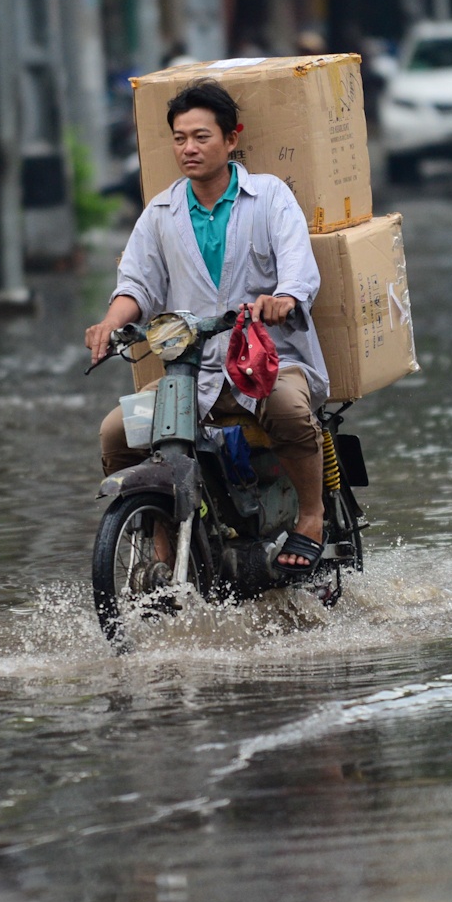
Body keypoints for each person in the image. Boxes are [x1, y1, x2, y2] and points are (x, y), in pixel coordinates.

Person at [84, 80, 328, 575]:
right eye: (179, 138)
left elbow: (299, 267)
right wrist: (111, 322)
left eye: (200, 137)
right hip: (189, 375)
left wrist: (283, 298)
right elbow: (136, 283)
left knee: (287, 410)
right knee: (116, 433)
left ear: (231, 139)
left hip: (265, 361)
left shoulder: (270, 197)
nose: (188, 149)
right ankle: (160, 536)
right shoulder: (160, 213)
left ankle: (311, 518)